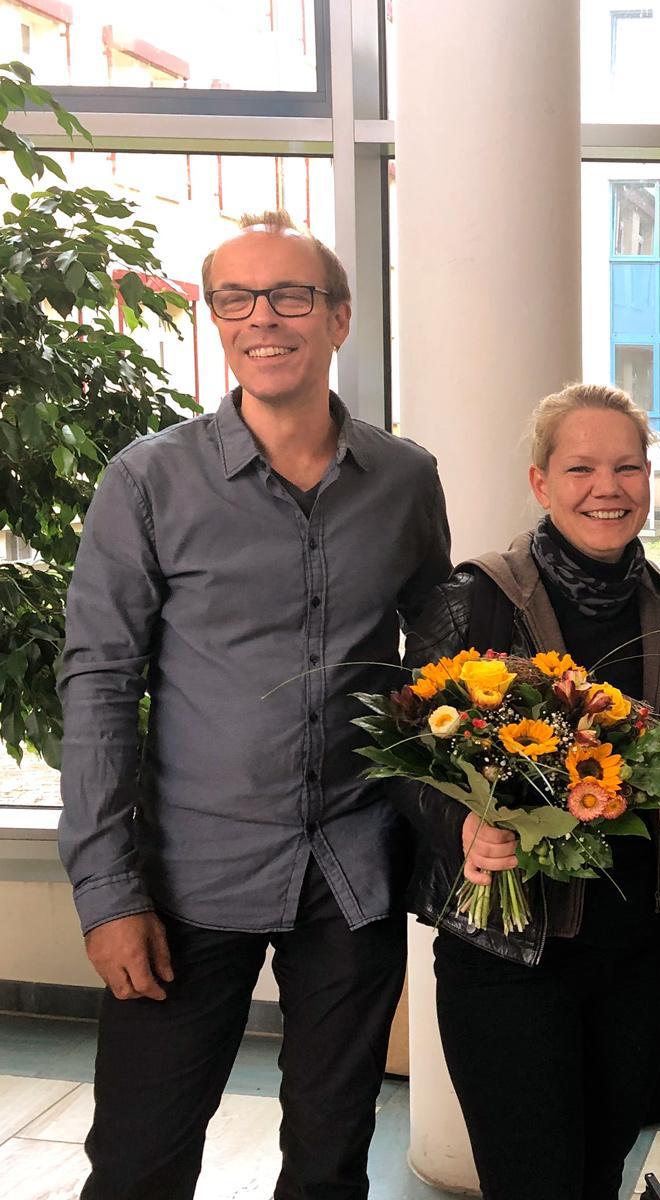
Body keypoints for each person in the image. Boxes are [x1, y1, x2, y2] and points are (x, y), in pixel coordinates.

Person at [57, 209, 451, 1199]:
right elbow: (100, 684)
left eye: (291, 295)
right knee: (139, 1160)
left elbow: (444, 671)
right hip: (186, 877)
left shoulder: (404, 479)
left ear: (339, 318)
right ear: (216, 319)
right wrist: (108, 893)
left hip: (353, 869)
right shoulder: (147, 481)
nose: (263, 318)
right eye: (237, 298)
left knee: (329, 1158)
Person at [400, 382, 660, 1200]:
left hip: (635, 959)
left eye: (627, 468)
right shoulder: (473, 601)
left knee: (598, 1176)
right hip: (509, 962)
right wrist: (461, 825)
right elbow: (403, 762)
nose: (607, 489)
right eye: (580, 469)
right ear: (540, 483)